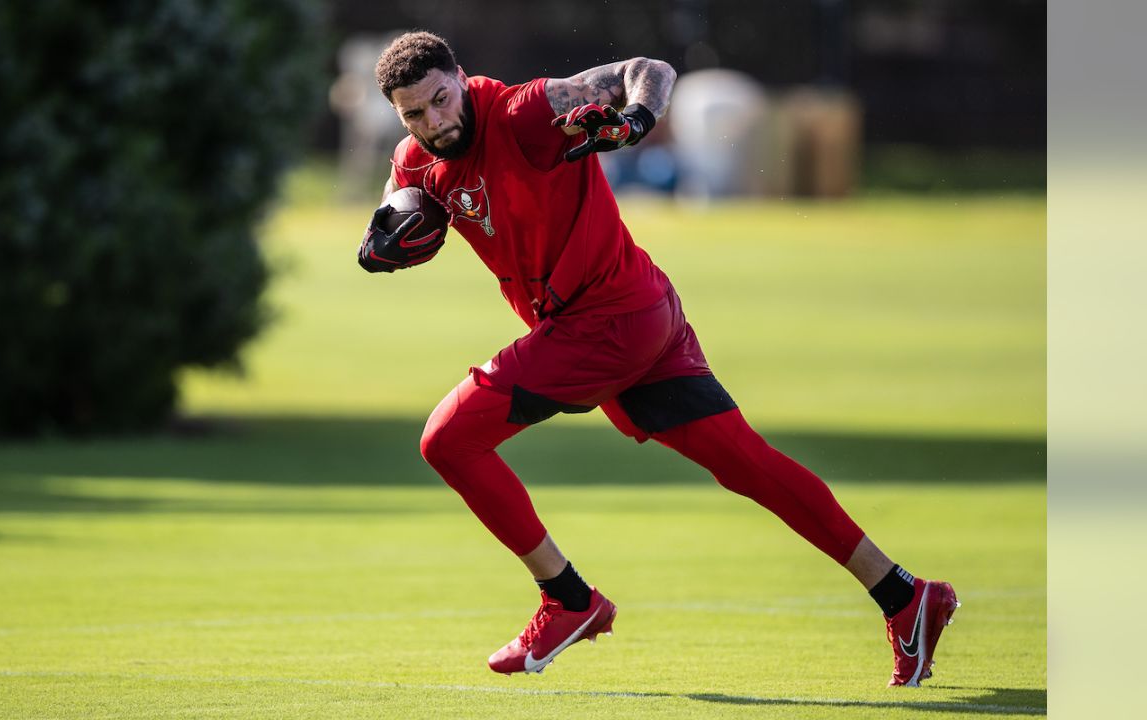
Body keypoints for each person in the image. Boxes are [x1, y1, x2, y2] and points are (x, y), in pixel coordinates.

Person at [357, 31, 958, 686]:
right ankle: (905, 596)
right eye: (415, 112)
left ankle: (568, 599)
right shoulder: (417, 158)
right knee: (748, 465)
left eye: (442, 99)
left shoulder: (523, 112)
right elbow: (398, 202)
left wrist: (634, 120)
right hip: (640, 314)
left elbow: (649, 69)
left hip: (605, 323)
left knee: (448, 440)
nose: (434, 120)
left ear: (462, 78)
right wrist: (380, 242)